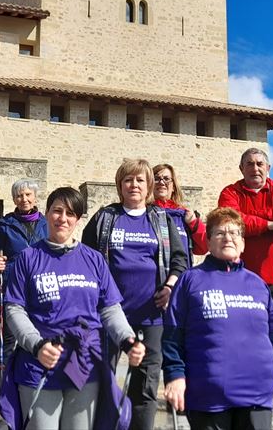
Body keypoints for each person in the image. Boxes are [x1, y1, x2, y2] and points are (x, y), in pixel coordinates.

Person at [0, 187, 145, 430]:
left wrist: (127, 340)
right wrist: (36, 345)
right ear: (46, 213)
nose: (63, 218)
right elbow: (14, 309)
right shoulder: (28, 257)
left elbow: (110, 309)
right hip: (40, 363)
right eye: (57, 211)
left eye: (70, 213)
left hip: (84, 364)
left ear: (78, 219)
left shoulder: (94, 259)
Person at [162, 207, 273, 430]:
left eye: (234, 233)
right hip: (208, 396)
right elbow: (173, 337)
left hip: (256, 396)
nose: (227, 238)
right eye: (220, 233)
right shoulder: (190, 281)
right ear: (209, 240)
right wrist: (175, 376)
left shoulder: (258, 285)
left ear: (243, 243)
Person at [82, 158, 186, 430]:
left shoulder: (161, 220)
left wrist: (169, 286)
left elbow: (180, 258)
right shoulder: (105, 218)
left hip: (152, 316)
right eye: (128, 180)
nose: (134, 185)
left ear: (149, 185)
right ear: (120, 185)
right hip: (109, 315)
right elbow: (86, 257)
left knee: (145, 386)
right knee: (101, 379)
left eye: (140, 180)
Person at [217, 147, 273, 421]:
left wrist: (259, 217)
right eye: (249, 164)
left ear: (267, 169)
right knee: (236, 340)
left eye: (260, 164)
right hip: (239, 280)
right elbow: (232, 221)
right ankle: (236, 398)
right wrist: (271, 223)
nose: (255, 168)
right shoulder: (230, 193)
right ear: (241, 169)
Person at [0, 178, 49, 391]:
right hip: (12, 292)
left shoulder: (46, 224)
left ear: (35, 197)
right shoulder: (4, 225)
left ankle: (33, 384)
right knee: (9, 342)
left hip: (40, 292)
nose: (24, 199)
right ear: (14, 198)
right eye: (19, 195)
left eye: (28, 195)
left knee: (38, 339)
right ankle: (4, 390)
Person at [152, 163, 208, 262]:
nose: (161, 182)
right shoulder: (143, 213)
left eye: (166, 179)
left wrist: (194, 223)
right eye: (156, 178)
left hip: (180, 274)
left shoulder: (183, 214)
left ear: (173, 186)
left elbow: (203, 247)